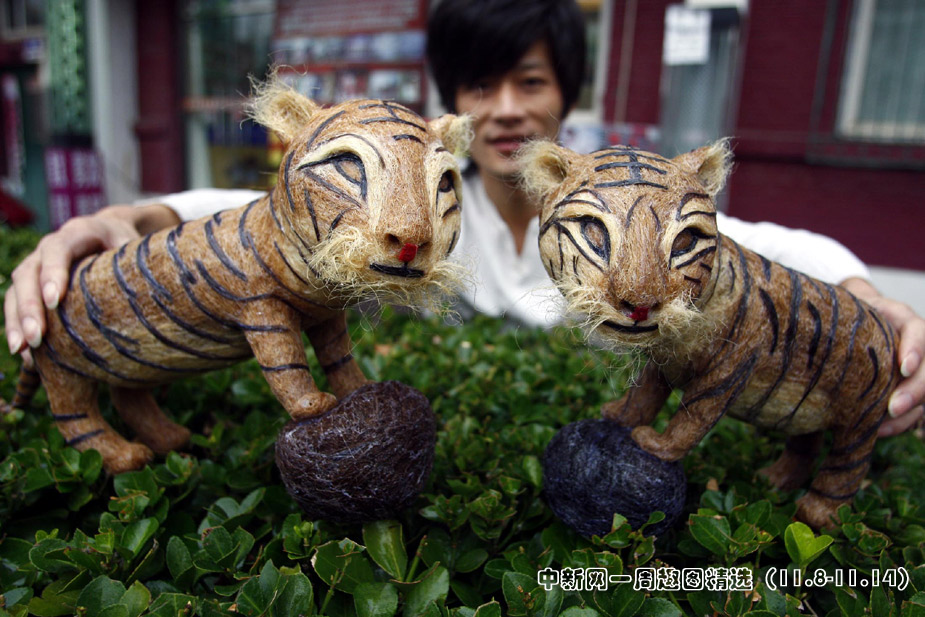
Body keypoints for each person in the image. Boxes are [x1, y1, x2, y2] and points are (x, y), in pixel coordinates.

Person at [3, 0, 923, 435]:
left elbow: (762, 245)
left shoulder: (616, 193)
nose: (506, 109)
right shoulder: (427, 209)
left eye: (530, 81)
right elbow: (247, 213)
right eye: (481, 86)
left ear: (565, 95)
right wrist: (115, 219)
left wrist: (869, 299)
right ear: (453, 105)